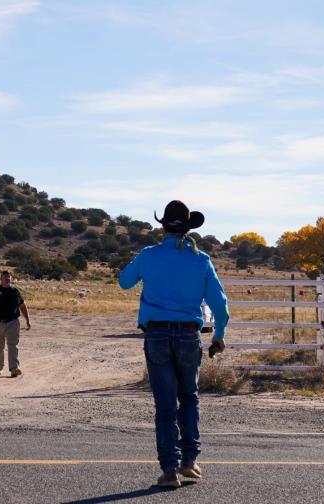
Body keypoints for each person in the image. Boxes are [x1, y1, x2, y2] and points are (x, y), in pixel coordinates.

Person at [118, 200, 229, 489]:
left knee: (165, 404)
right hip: (189, 333)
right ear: (188, 229)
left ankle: (169, 470)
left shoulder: (148, 255)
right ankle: (189, 461)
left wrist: (142, 266)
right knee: (189, 397)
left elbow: (124, 281)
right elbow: (219, 302)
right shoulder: (201, 260)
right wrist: (219, 334)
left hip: (156, 334)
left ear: (163, 226)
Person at [0, 270, 31, 377]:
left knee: (13, 345)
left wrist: (27, 319)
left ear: (11, 279)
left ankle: (14, 368)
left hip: (13, 322)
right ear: (1, 279)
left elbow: (22, 306)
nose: (7, 279)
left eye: (9, 277)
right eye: (5, 277)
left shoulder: (15, 292)